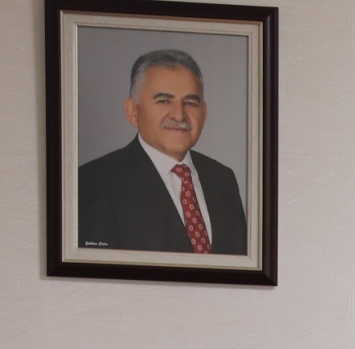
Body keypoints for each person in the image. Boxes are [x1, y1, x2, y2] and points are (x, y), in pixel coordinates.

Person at [77, 49, 247, 255]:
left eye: (190, 103)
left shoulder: (223, 179)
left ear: (204, 114)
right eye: (164, 101)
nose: (179, 115)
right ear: (133, 111)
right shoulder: (93, 182)